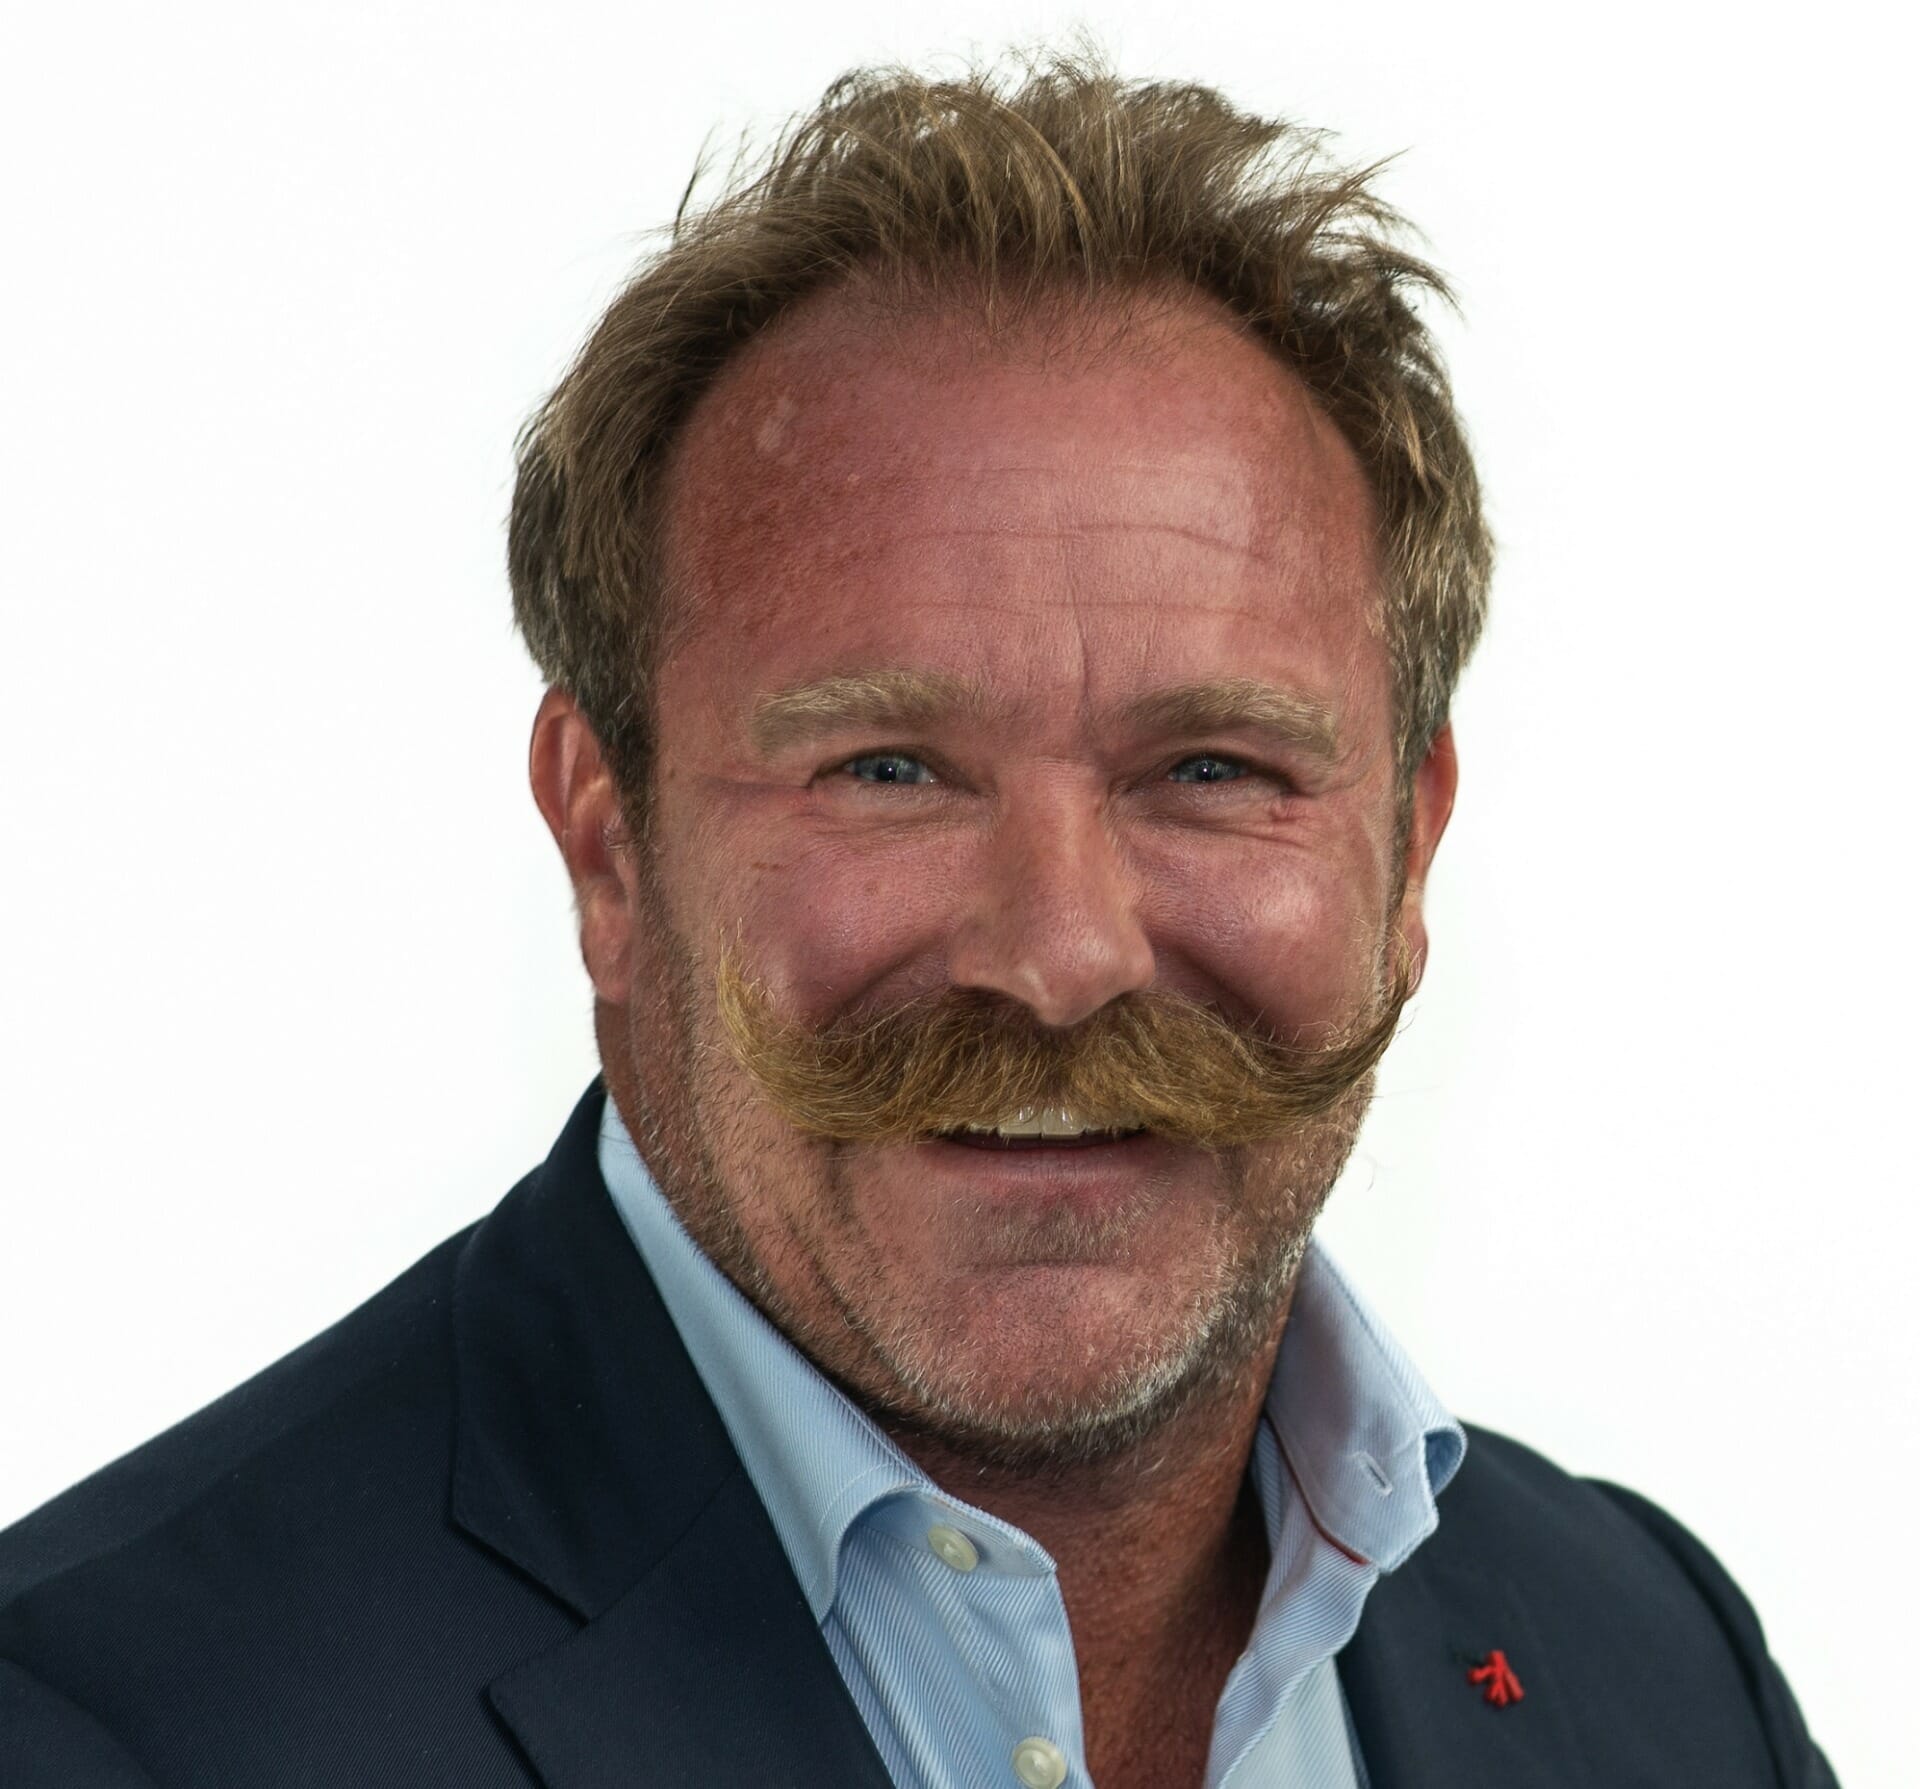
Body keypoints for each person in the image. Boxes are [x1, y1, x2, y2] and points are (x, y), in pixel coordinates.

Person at [0, 49, 1837, 1789]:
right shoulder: (105, 1727)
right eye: (887, 768)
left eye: (1210, 769)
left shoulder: (1651, 1667)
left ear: (1407, 855)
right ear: (606, 844)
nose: (1059, 956)